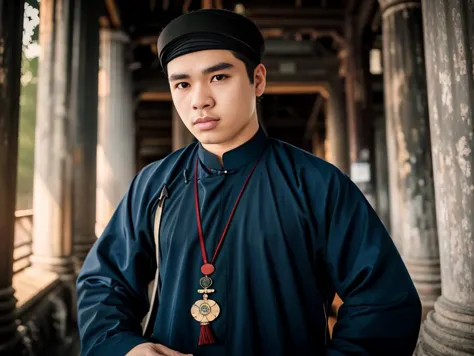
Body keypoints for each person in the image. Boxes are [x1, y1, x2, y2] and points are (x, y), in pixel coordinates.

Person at [76, 8, 422, 356]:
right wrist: (126, 349)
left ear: (257, 79)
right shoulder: (153, 185)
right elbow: (104, 283)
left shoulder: (316, 183)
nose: (199, 100)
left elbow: (383, 301)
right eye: (182, 83)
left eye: (218, 78)